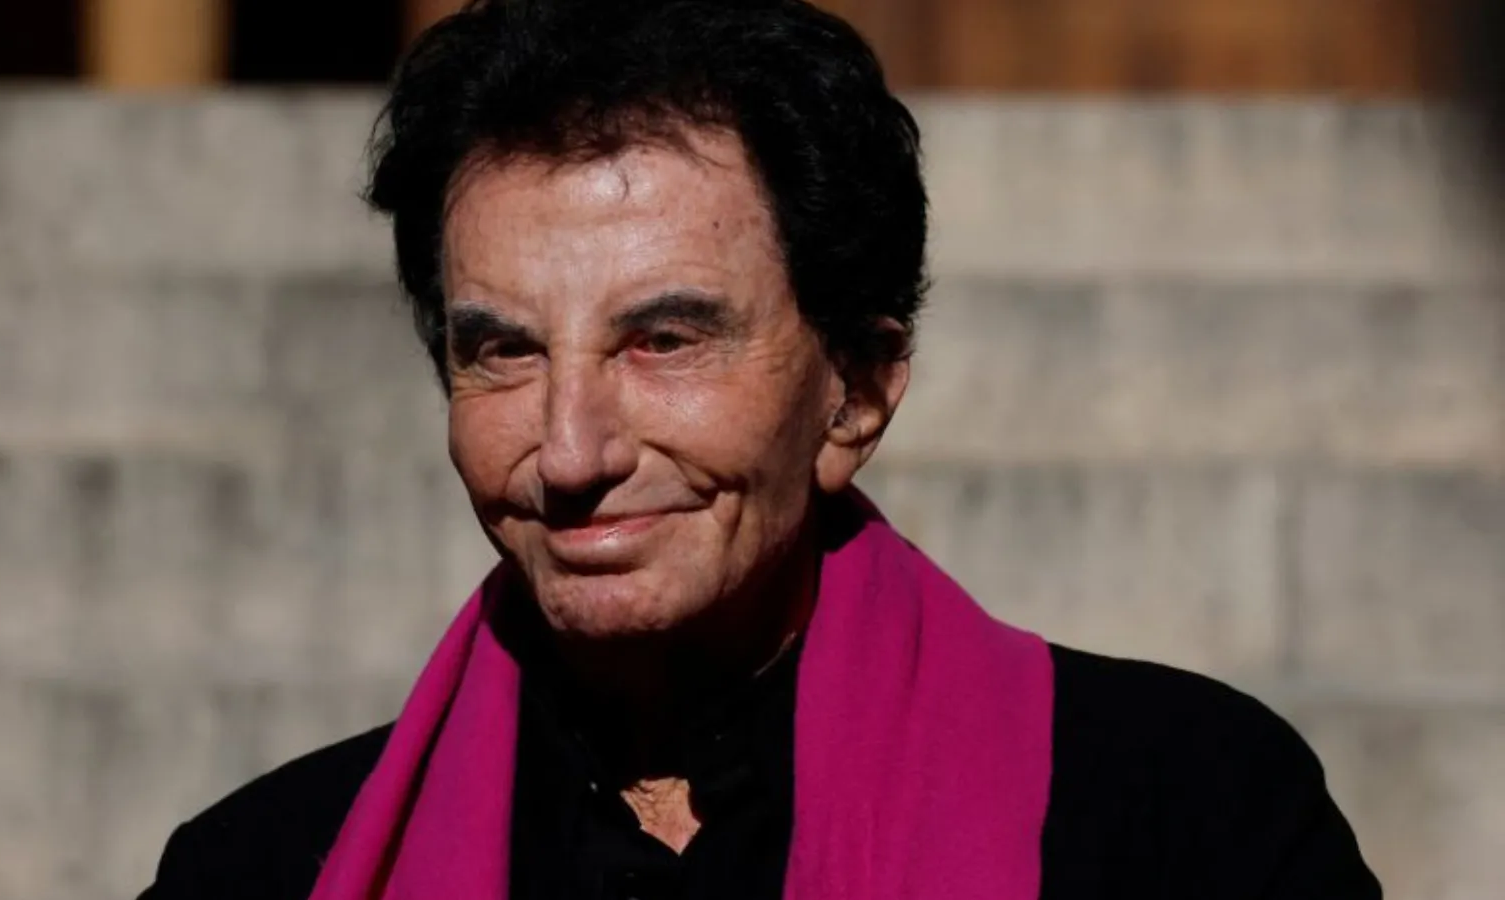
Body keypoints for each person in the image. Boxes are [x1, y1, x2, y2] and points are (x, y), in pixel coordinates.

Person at [138, 1, 1381, 898]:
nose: (569, 452)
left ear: (856, 394)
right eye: (504, 352)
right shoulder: (264, 868)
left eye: (664, 341)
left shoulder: (1183, 823)